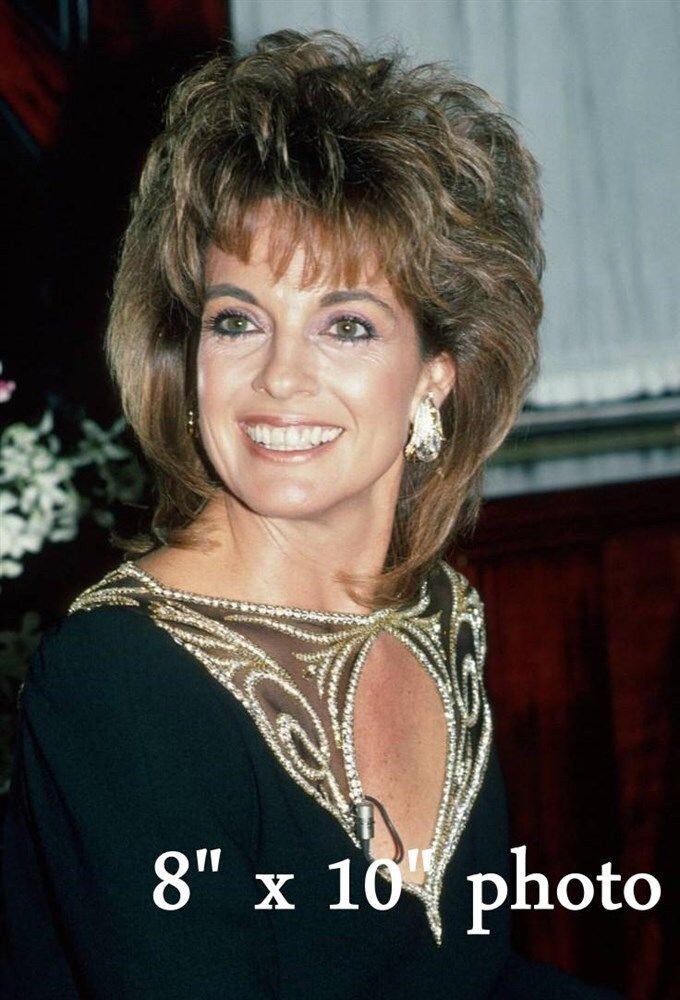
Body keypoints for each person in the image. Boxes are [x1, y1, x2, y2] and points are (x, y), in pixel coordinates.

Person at [1, 29, 620, 999]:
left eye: (346, 325)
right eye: (237, 320)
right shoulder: (119, 683)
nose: (280, 376)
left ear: (434, 375)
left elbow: (474, 980)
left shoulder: (437, 614)